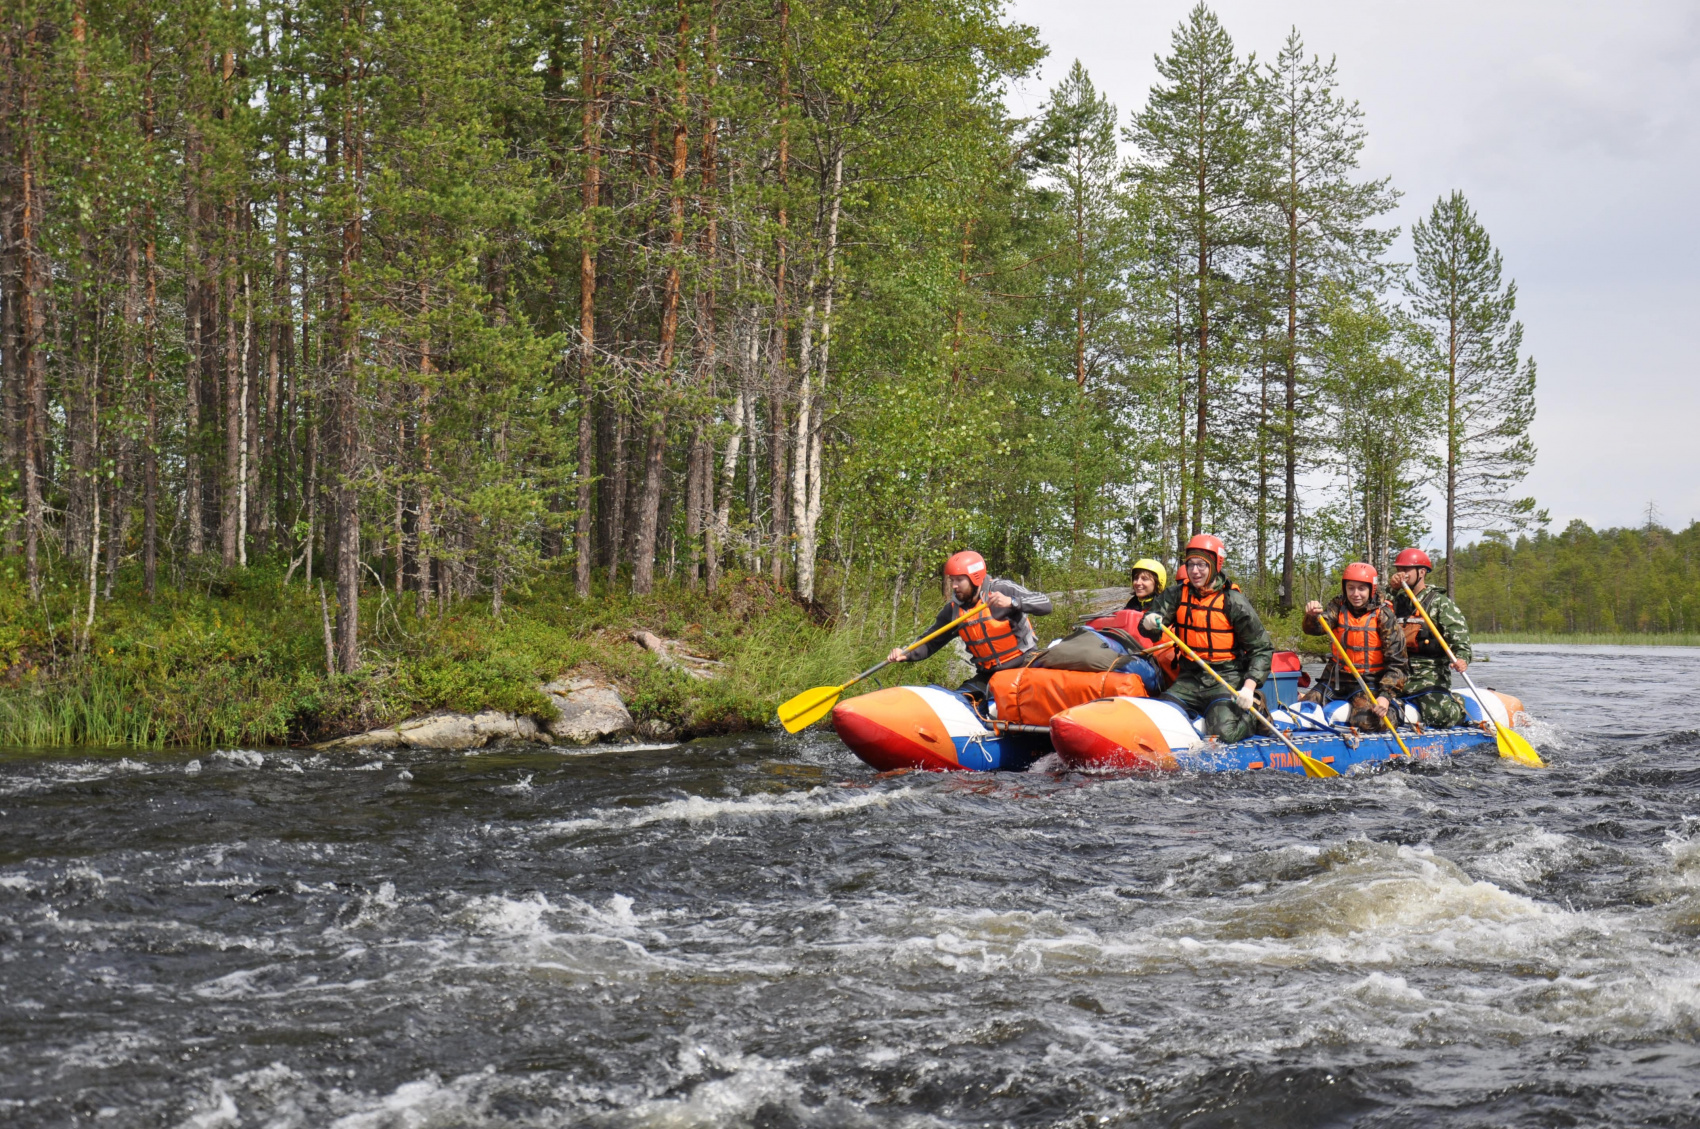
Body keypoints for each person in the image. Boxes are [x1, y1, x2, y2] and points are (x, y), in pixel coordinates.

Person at [1140, 534, 1274, 743]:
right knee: (1160, 721)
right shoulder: (1176, 595)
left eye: (1201, 565)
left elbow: (1262, 649)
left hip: (1226, 678)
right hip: (1189, 679)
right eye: (1190, 564)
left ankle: (1254, 715)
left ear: (1214, 566)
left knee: (1222, 734)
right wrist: (1148, 622)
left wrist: (1249, 688)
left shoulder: (1233, 601)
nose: (1195, 571)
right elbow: (1149, 629)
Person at [887, 550, 1053, 700]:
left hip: (1024, 665)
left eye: (959, 580)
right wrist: (906, 653)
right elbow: (930, 641)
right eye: (952, 580)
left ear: (976, 578)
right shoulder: (953, 610)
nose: (954, 586)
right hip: (988, 675)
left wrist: (1013, 602)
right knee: (958, 703)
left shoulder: (1003, 589)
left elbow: (1045, 603)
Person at [1302, 562, 1409, 731]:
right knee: (1303, 711)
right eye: (1350, 588)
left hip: (1369, 681)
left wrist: (1385, 695)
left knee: (1365, 722)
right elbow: (1315, 629)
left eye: (1361, 589)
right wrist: (1312, 616)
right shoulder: (1338, 606)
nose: (1355, 594)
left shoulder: (1384, 615)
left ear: (1371, 590)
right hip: (1337, 678)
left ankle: (1395, 710)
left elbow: (1398, 664)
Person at [1389, 547, 1472, 728]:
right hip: (1397, 673)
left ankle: (1458, 704)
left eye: (1406, 570)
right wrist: (1392, 590)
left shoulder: (1441, 604)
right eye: (1398, 570)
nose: (1400, 574)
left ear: (1421, 572)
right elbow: (1374, 610)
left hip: (1430, 674)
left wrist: (1462, 659)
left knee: (1438, 716)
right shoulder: (1396, 602)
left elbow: (1460, 640)